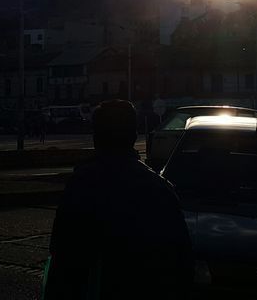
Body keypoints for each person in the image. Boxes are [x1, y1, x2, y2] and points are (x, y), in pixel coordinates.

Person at [43, 100, 193, 300]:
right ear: (133, 136)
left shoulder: (82, 185)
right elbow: (181, 264)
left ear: (96, 137)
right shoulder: (159, 189)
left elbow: (62, 260)